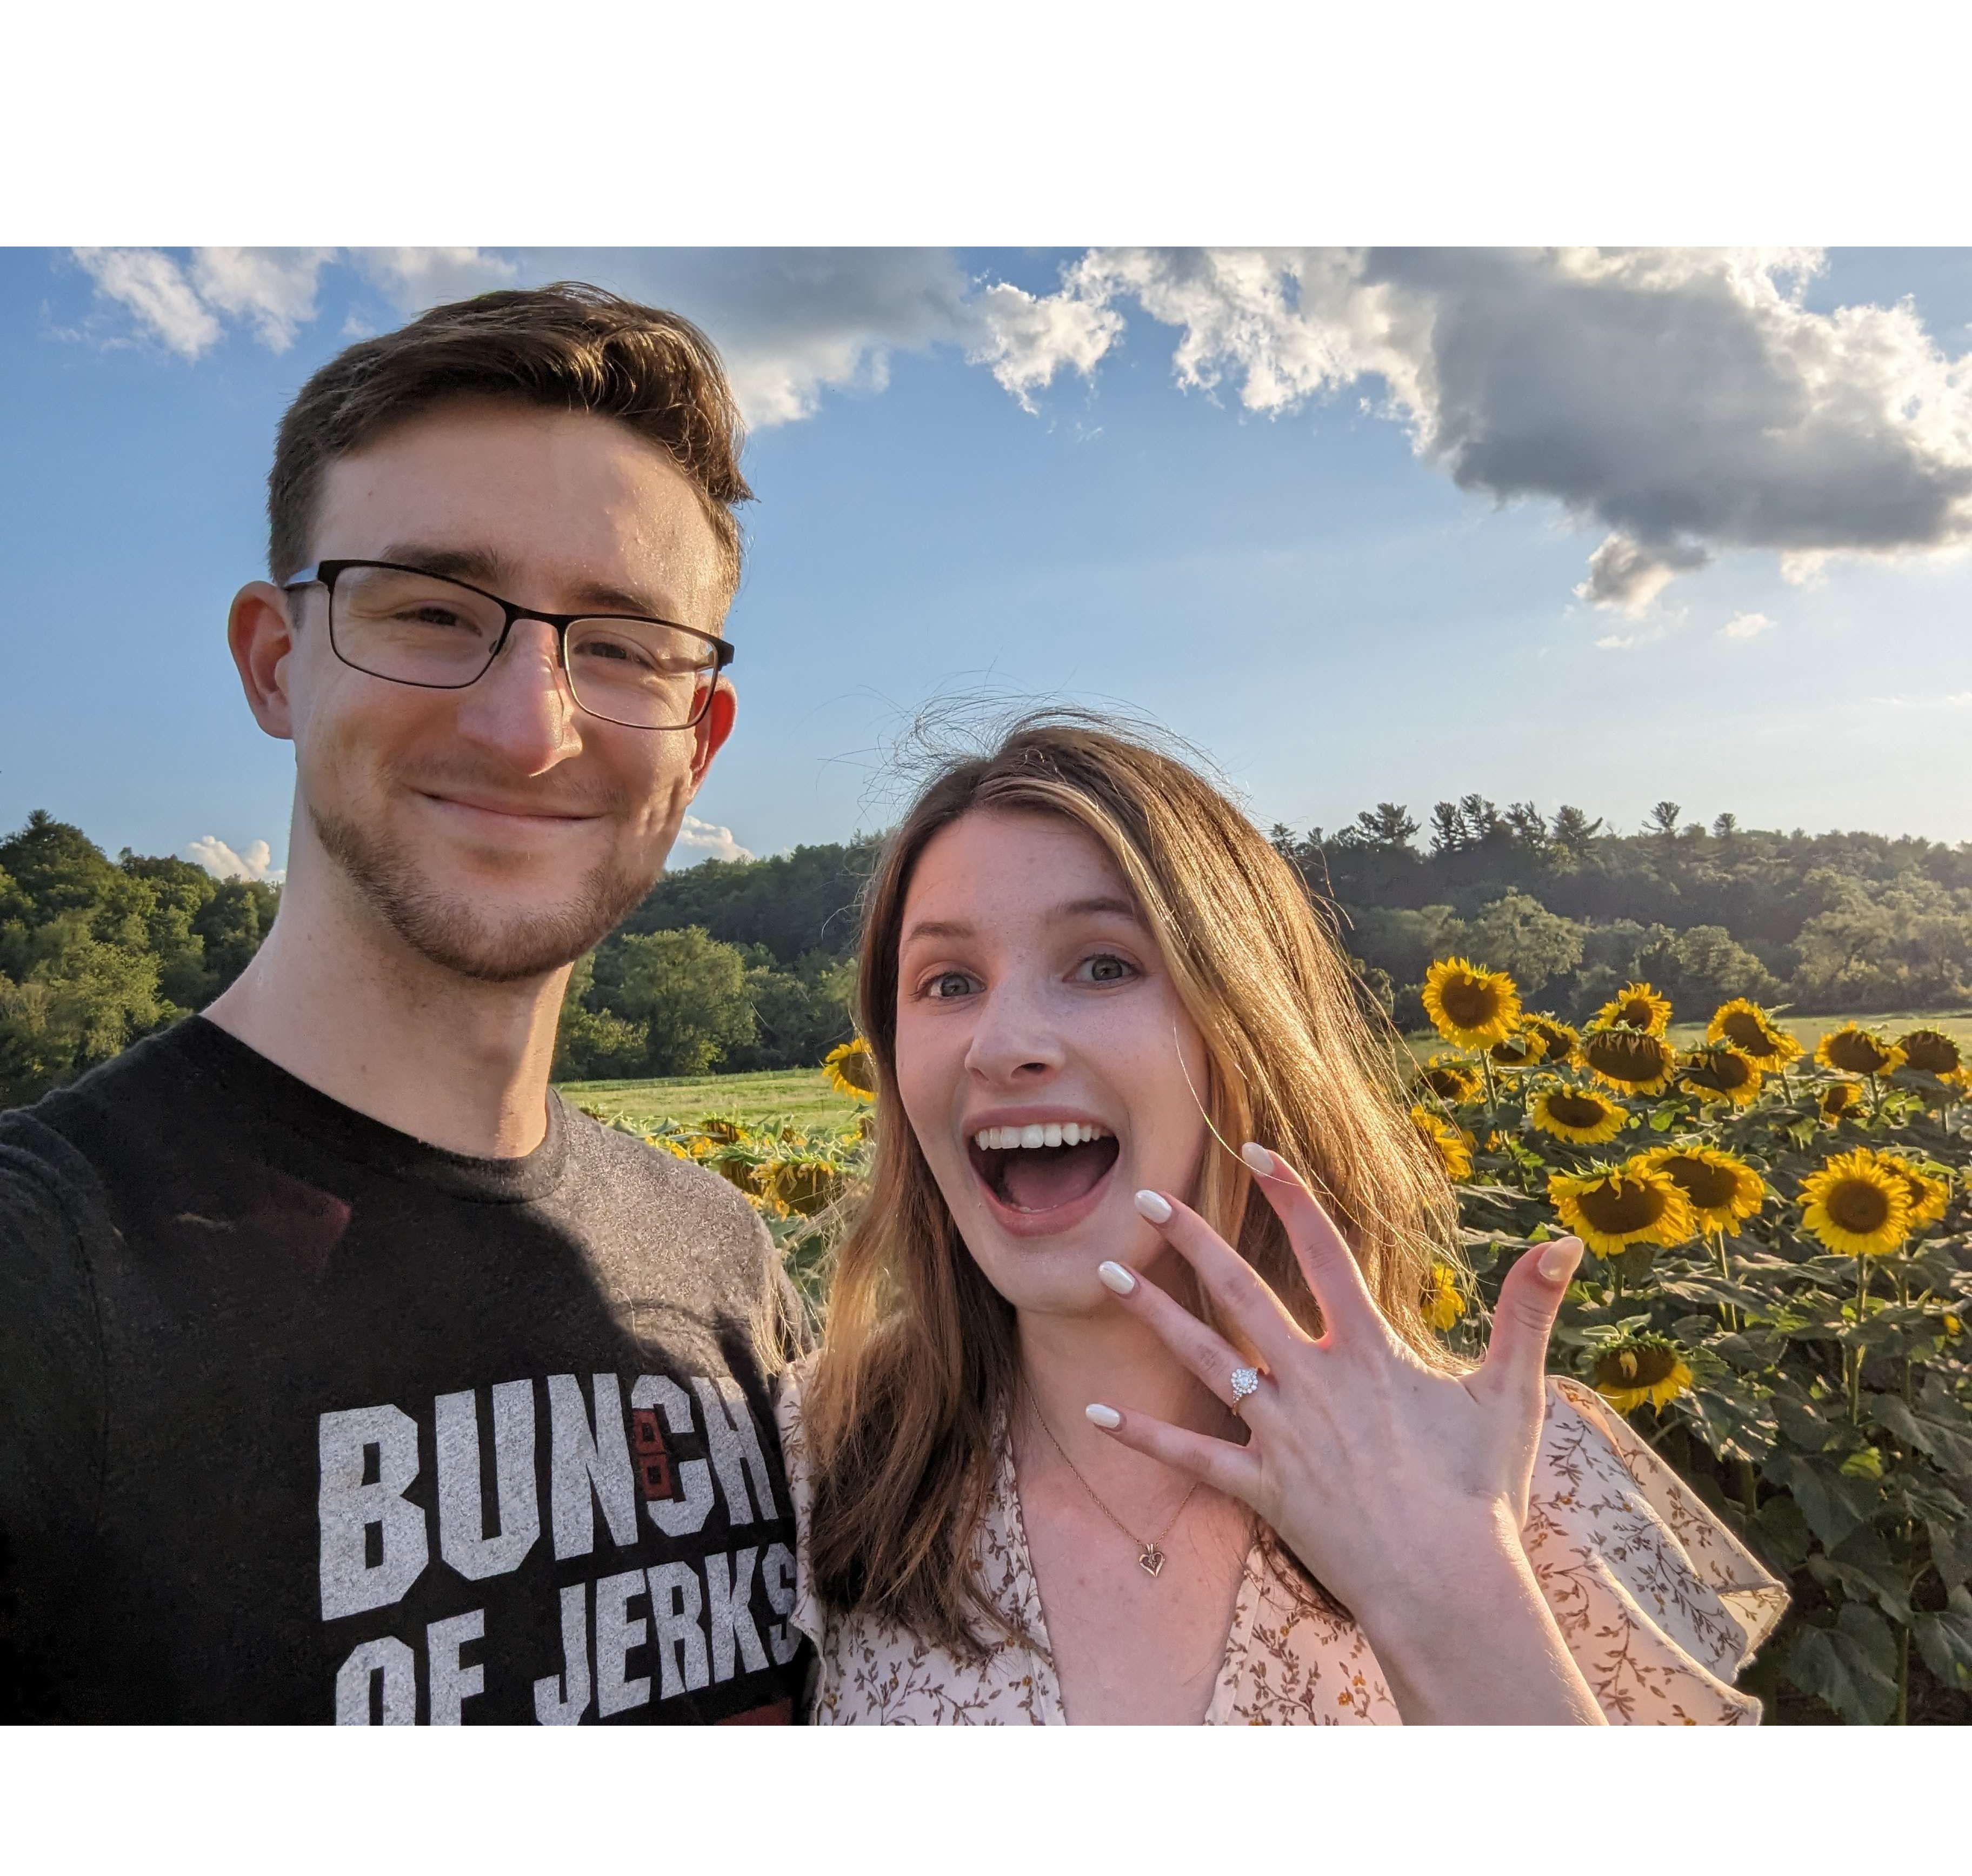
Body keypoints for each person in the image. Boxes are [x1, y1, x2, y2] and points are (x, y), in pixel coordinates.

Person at [0, 284, 808, 1724]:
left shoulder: (729, 1267)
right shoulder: (45, 1275)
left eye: (622, 645)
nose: (527, 724)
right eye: (434, 612)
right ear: (275, 660)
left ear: (700, 741)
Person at [780, 715, 1789, 1724]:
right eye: (948, 983)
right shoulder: (808, 1462)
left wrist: (1450, 1591)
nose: (1001, 1045)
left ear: (1252, 1026)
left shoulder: (1522, 1474)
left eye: (1104, 965)